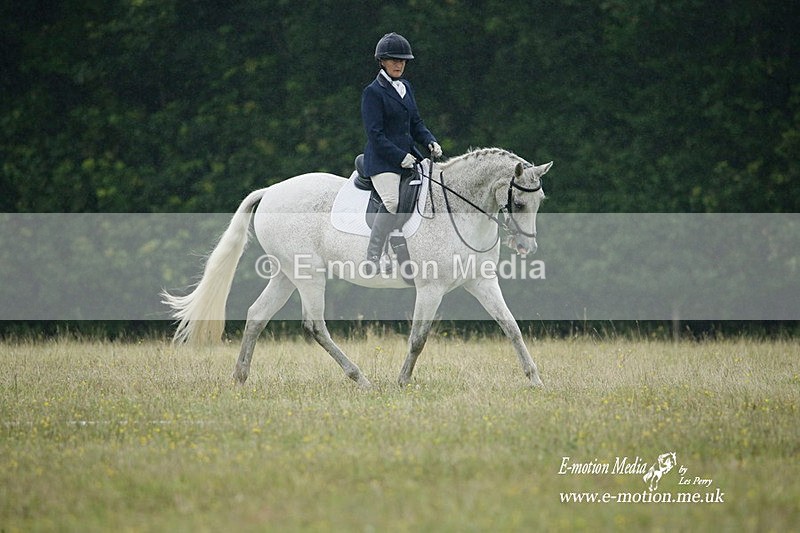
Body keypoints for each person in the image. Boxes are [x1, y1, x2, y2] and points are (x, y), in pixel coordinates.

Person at [361, 32, 442, 273]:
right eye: (394, 60)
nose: (399, 64)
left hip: (410, 157)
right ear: (382, 62)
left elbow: (415, 123)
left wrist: (429, 140)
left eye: (403, 61)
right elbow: (375, 135)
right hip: (383, 161)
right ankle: (373, 256)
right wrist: (400, 156)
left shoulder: (406, 87)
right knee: (392, 201)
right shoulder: (373, 92)